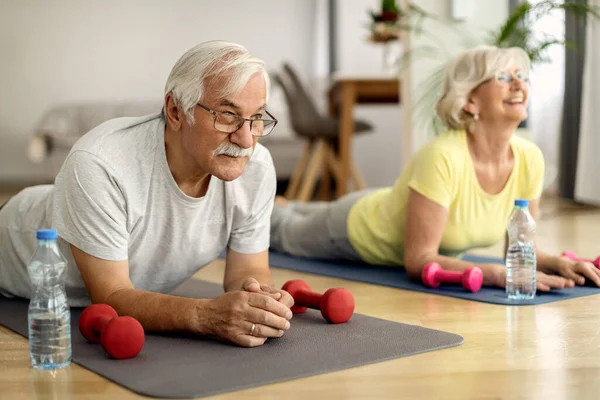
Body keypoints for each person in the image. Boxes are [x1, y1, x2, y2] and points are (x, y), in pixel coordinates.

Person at [0, 40, 294, 348]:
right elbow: (112, 296)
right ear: (175, 111)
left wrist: (260, 300)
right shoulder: (101, 162)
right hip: (14, 240)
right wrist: (207, 316)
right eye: (228, 115)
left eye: (257, 118)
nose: (246, 139)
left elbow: (249, 269)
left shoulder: (257, 167)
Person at [270, 45, 600, 291]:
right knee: (281, 230)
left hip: (389, 203)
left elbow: (519, 249)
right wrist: (495, 275)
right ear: (470, 101)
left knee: (299, 211)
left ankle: (294, 204)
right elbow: (420, 259)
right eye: (503, 77)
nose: (518, 84)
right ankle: (269, 207)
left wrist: (561, 264)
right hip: (356, 229)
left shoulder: (531, 158)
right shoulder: (442, 156)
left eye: (521, 77)